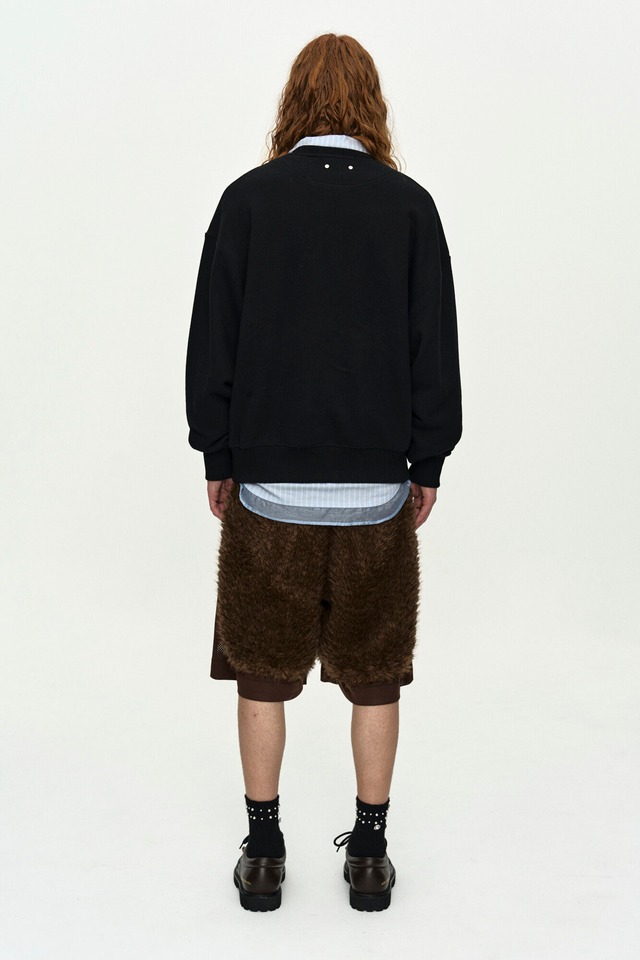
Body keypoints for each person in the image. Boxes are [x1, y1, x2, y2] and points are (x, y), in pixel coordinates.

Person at [185, 32, 462, 913]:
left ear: (293, 102)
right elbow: (433, 346)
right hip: (377, 492)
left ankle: (264, 848)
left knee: (261, 671)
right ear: (371, 104)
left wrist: (218, 453)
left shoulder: (248, 201)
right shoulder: (409, 207)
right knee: (374, 672)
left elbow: (213, 339)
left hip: (268, 491)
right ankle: (370, 853)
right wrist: (428, 460)